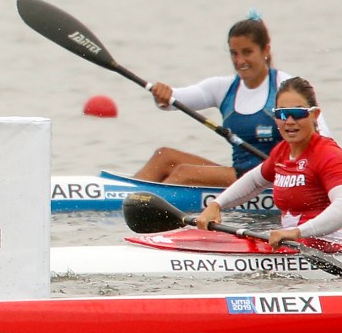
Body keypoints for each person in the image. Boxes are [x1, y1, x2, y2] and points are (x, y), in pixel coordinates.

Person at [133, 13, 329, 186]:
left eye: (247, 52)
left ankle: (146, 206)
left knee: (184, 173)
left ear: (265, 50)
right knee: (164, 156)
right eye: (234, 53)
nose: (239, 61)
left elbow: (323, 136)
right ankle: (125, 195)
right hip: (241, 178)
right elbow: (175, 100)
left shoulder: (284, 86)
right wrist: (163, 95)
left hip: (276, 178)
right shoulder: (223, 88)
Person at [195, 77, 342, 249]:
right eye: (281, 114)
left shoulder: (328, 155)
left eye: (298, 113)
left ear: (314, 115)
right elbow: (254, 181)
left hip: (330, 247)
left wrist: (297, 232)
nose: (289, 121)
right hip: (294, 244)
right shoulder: (282, 152)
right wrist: (216, 205)